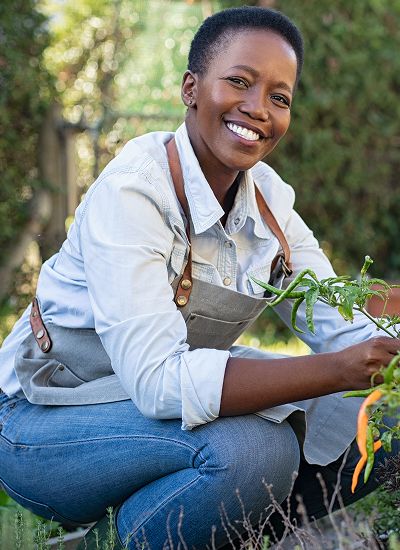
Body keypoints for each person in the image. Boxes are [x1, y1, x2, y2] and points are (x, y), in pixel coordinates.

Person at [0, 6, 398, 549]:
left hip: (145, 417)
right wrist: (334, 371)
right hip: (42, 422)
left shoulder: (271, 205)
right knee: (257, 452)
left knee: (387, 420)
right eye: (239, 82)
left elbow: (341, 325)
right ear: (191, 87)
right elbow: (159, 381)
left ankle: (202, 533)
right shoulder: (134, 194)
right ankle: (107, 544)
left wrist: (379, 353)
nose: (258, 109)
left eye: (279, 98)